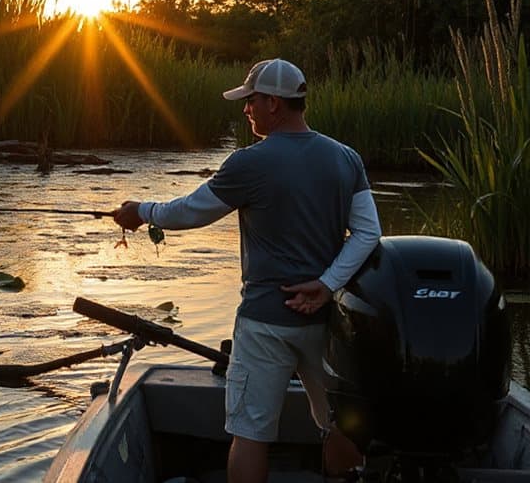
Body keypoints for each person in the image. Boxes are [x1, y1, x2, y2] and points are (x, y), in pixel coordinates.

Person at [113, 58, 382, 483]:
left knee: (250, 434)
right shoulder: (346, 158)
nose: (246, 109)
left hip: (263, 322)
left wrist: (141, 212)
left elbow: (191, 212)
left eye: (251, 100)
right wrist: (327, 285)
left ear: (273, 103)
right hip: (327, 321)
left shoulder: (249, 162)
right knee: (337, 424)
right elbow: (368, 234)